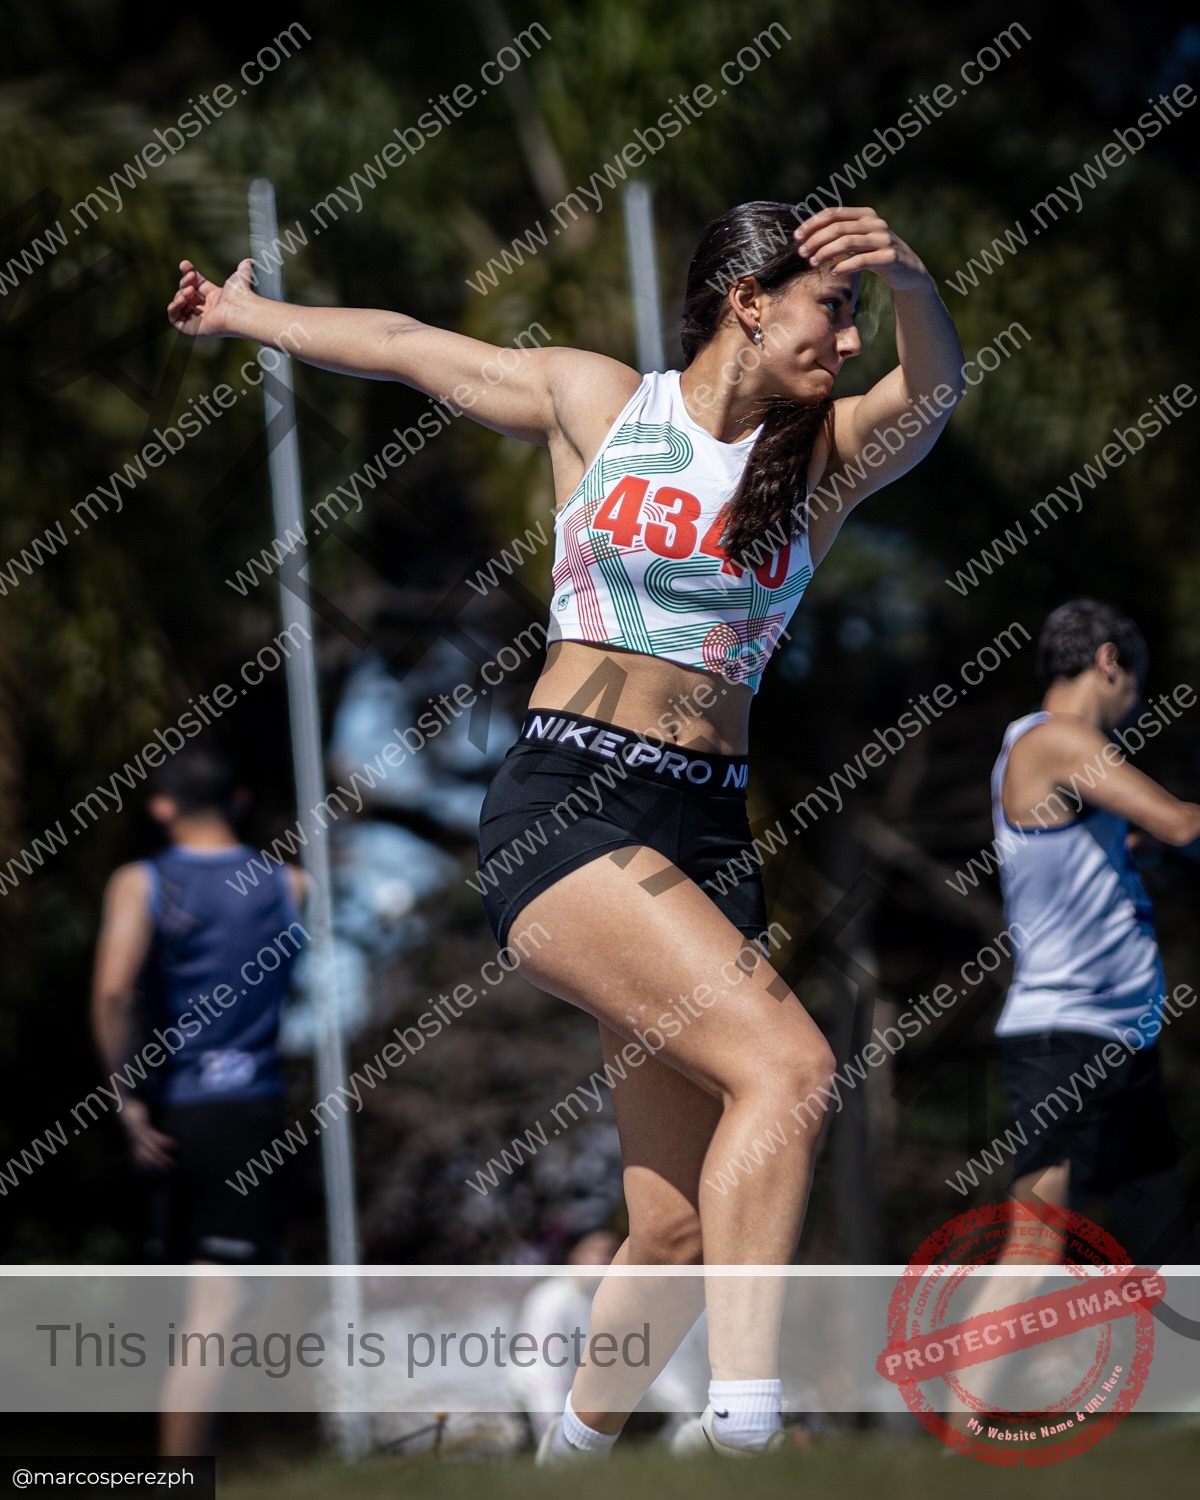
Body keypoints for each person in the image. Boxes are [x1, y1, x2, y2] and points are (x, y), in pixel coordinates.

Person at [168, 199, 963, 1457]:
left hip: (703, 830)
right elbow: (399, 341)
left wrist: (911, 279)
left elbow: (938, 390)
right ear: (750, 301)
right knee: (793, 1069)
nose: (852, 341)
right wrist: (246, 314)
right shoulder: (603, 402)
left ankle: (570, 1462)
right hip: (571, 804)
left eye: (861, 316)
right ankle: (745, 1429)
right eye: (836, 308)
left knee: (670, 1225)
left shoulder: (818, 461)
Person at [90, 745, 307, 1452]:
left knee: (188, 1312)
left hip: (177, 1109)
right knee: (218, 1314)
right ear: (239, 801)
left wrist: (126, 1101)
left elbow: (114, 992)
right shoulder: (289, 883)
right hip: (253, 1112)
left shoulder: (140, 881)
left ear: (161, 807)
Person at [988, 599, 1198, 1265]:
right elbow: (1182, 823)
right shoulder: (1052, 739)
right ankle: (929, 1376)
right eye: (1136, 685)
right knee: (1034, 1252)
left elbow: (1127, 847)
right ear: (1110, 663)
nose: (1135, 705)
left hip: (1120, 1038)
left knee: (1171, 1253)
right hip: (1065, 1041)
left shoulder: (1062, 765)